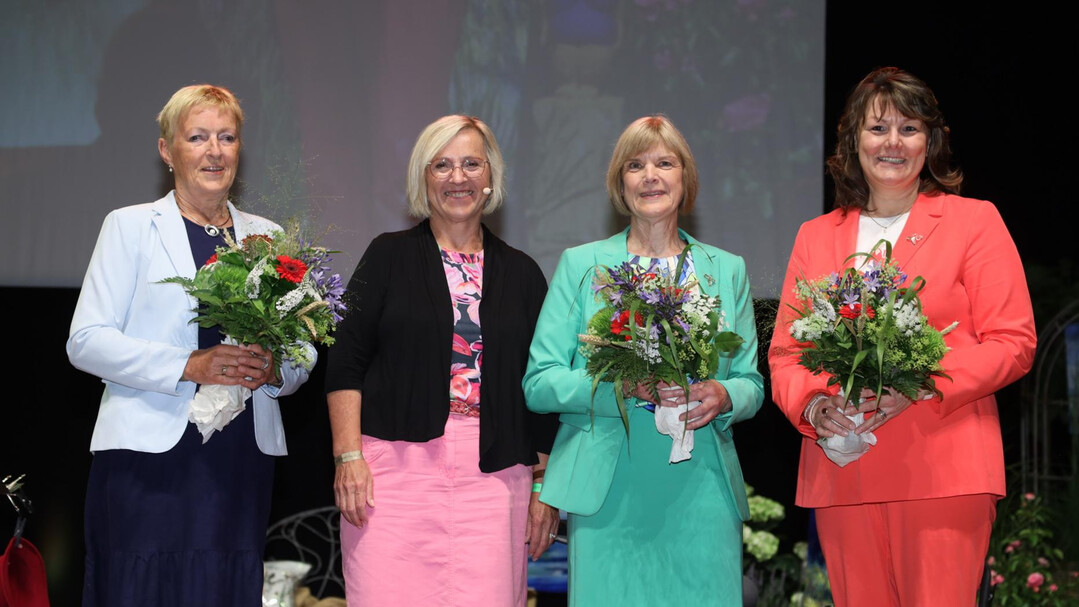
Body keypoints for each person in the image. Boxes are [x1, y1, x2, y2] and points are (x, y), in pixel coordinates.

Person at [768, 67, 1037, 607]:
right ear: (852, 143)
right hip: (844, 469)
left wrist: (920, 384)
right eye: (877, 128)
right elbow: (785, 355)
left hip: (944, 469)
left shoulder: (974, 221)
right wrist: (816, 406)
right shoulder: (815, 236)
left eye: (909, 129)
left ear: (930, 143)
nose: (893, 142)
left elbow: (1014, 341)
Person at [67, 84, 312, 606]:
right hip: (147, 458)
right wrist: (188, 363)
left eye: (227, 137)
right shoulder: (129, 226)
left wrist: (276, 370)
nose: (214, 150)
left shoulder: (269, 239)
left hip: (238, 457)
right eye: (197, 137)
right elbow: (85, 341)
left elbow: (305, 349)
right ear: (167, 150)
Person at [523, 115, 764, 605]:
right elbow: (540, 382)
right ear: (620, 184)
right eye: (635, 165)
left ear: (685, 179)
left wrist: (723, 394)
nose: (650, 175)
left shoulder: (727, 269)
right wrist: (620, 389)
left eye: (664, 162)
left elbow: (751, 383)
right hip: (608, 489)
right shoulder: (581, 264)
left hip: (702, 488)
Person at [324, 115, 560, 606]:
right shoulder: (386, 256)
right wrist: (348, 457)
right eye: (443, 166)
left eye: (472, 164)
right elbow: (345, 363)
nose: (458, 178)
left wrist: (543, 485)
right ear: (422, 178)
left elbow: (541, 392)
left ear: (491, 177)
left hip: (496, 481)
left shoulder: (523, 273)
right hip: (391, 476)